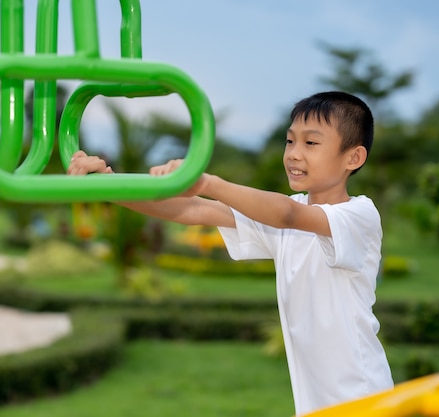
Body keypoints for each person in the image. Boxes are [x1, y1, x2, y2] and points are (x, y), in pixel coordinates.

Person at [67, 91, 394, 415]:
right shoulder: (286, 215)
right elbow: (193, 211)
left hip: (363, 398)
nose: (294, 154)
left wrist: (208, 183)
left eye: (311, 143)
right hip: (318, 404)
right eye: (290, 141)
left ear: (354, 158)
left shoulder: (359, 216)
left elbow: (286, 215)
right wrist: (106, 184)